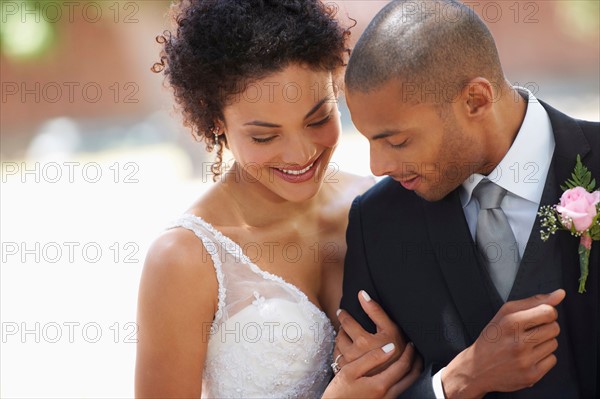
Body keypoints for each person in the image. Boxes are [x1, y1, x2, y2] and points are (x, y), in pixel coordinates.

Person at [135, 1, 422, 397]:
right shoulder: (186, 259)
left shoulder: (381, 202)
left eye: (319, 118)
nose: (301, 153)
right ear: (215, 120)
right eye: (265, 137)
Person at [337, 0, 599, 398]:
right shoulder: (377, 224)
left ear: (476, 99)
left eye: (397, 141)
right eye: (370, 140)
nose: (377, 166)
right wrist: (455, 384)